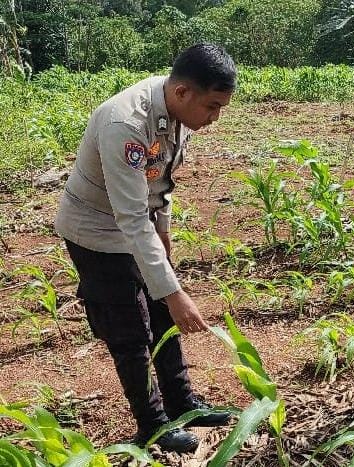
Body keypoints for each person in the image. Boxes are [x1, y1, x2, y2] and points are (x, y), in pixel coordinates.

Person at [55, 43, 236, 453]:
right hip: (96, 230)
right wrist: (174, 292)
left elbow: (159, 180)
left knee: (161, 316)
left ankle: (181, 403)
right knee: (130, 328)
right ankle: (152, 424)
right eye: (212, 107)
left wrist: (164, 234)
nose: (215, 118)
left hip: (137, 221)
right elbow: (131, 219)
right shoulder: (126, 124)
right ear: (182, 92)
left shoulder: (175, 111)